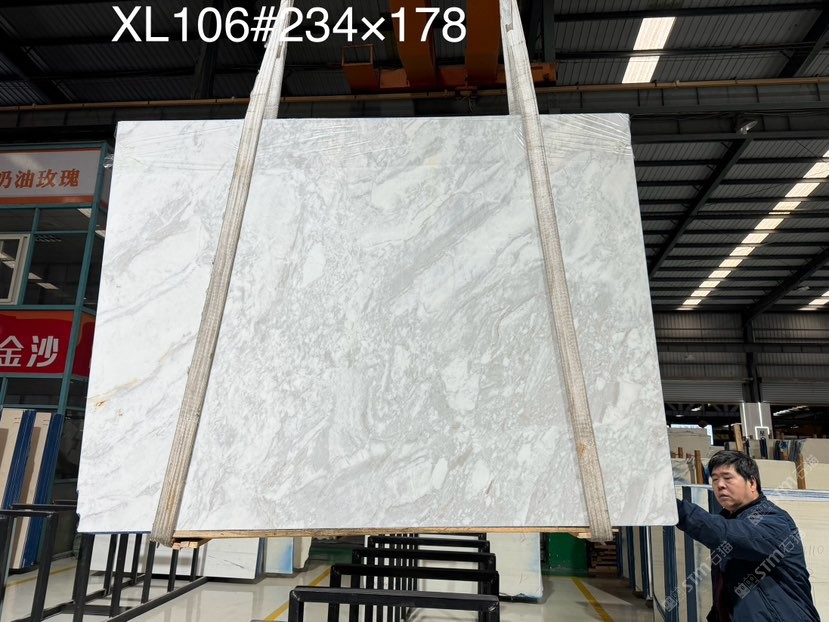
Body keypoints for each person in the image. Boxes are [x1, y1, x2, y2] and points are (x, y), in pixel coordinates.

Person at [675, 449, 820, 622]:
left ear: (752, 483)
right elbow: (726, 590)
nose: (720, 485)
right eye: (715, 479)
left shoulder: (774, 521)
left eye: (727, 478)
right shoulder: (729, 520)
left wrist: (676, 509)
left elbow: (730, 535)